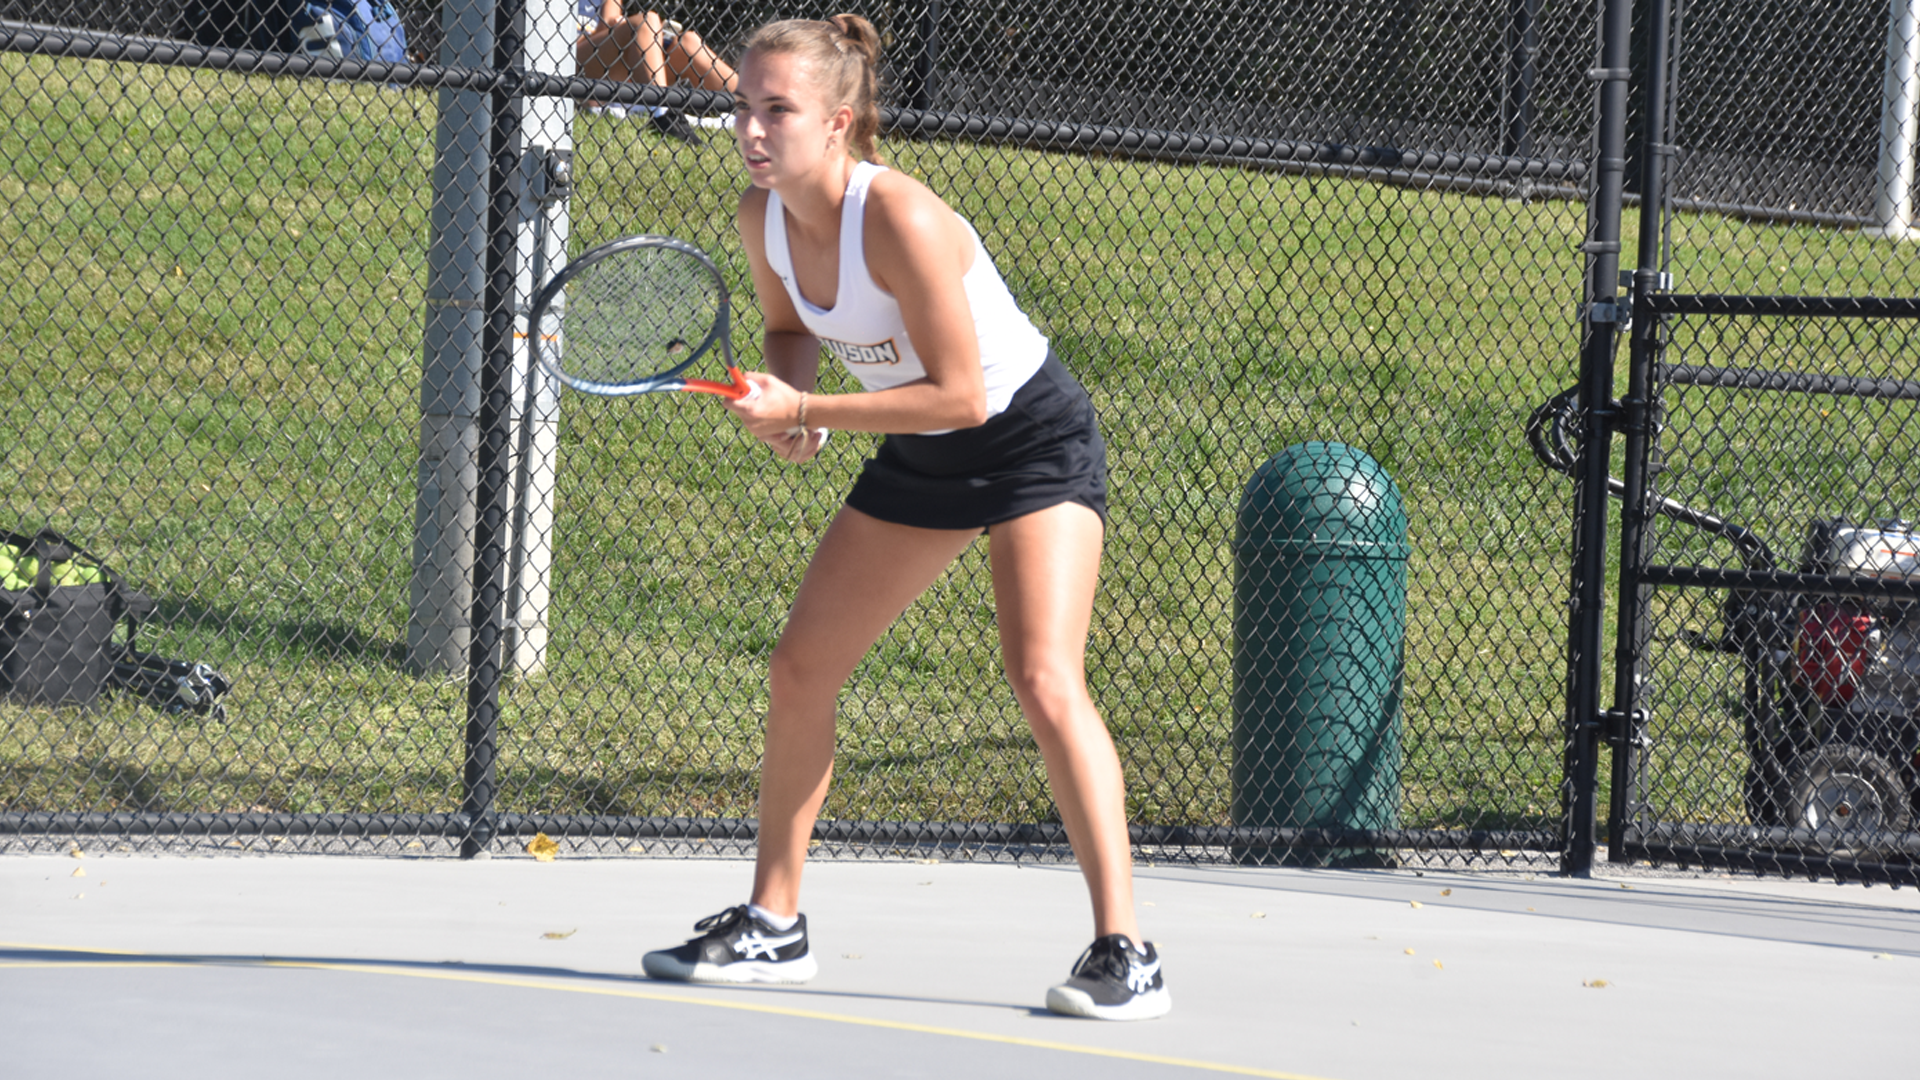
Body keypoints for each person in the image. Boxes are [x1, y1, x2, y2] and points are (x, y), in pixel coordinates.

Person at [638, 14, 1171, 1022]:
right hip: (923, 453)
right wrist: (785, 402)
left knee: (1044, 675)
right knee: (800, 667)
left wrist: (811, 411)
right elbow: (792, 329)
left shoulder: (901, 219)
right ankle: (775, 922)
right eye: (743, 105)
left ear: (838, 121)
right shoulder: (762, 217)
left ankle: (1127, 951)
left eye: (777, 110)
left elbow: (965, 394)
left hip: (1030, 443)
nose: (752, 129)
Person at [576, 1, 737, 142]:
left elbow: (608, 24)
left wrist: (620, 28)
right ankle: (662, 114)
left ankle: (751, 103)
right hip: (574, 64)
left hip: (614, 64)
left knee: (688, 42)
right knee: (647, 21)